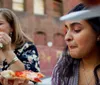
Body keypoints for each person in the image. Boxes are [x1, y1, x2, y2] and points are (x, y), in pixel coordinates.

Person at [52, 3, 100, 85]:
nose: (67, 37)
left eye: (76, 30)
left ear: (98, 34)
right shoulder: (62, 69)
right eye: (66, 31)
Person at [0, 8, 40, 85]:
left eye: (0, 24)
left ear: (12, 27)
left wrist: (8, 51)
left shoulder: (27, 47)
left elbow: (33, 78)